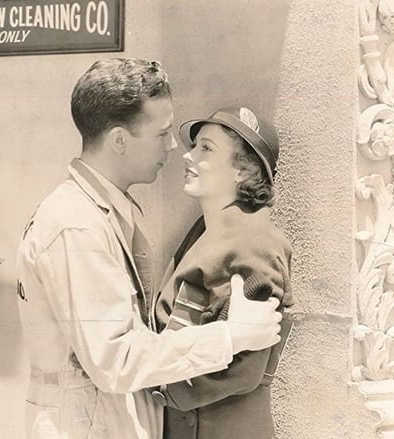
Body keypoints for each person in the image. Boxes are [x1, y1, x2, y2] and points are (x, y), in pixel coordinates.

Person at [16, 58, 283, 439]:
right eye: (161, 133)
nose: (174, 146)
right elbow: (118, 359)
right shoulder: (77, 225)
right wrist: (231, 336)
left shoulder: (104, 214)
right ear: (120, 141)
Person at [152, 107, 293, 439]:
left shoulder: (254, 241)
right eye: (194, 145)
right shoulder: (205, 232)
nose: (188, 156)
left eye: (206, 148)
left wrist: (160, 388)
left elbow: (247, 365)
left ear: (242, 172)